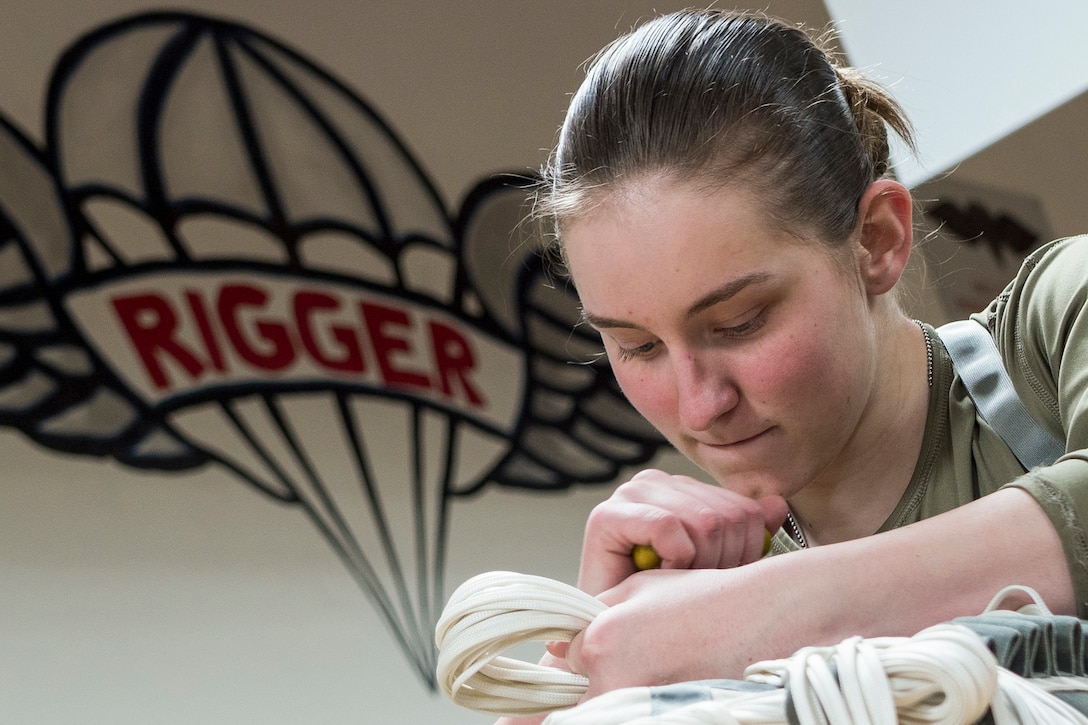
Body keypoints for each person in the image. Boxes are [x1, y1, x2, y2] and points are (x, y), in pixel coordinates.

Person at [496, 8, 1086, 724]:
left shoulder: (1053, 328)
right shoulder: (687, 582)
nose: (698, 405)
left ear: (877, 239)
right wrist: (578, 667)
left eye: (739, 322)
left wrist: (742, 619)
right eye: (638, 346)